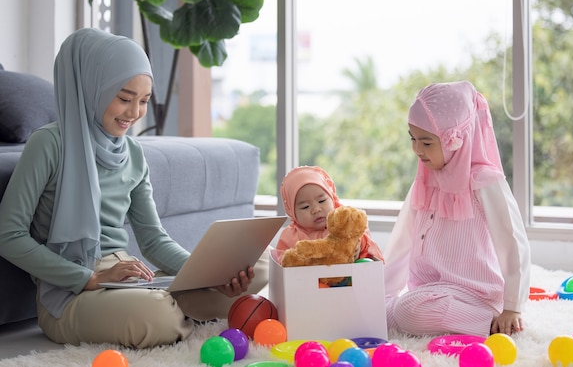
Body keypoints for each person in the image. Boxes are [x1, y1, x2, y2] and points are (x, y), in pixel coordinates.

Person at [0, 28, 267, 349]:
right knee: (158, 317)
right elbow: (8, 234)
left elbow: (153, 240)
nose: (135, 113)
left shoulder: (133, 153)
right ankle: (187, 309)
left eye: (143, 101)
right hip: (70, 294)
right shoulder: (49, 143)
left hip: (129, 280)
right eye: (125, 98)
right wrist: (89, 278)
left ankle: (191, 301)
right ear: (91, 87)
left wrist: (208, 276)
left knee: (261, 265)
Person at [384, 80, 531, 337]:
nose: (417, 150)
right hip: (430, 291)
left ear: (456, 140)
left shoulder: (484, 180)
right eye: (413, 139)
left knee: (408, 311)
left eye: (427, 142)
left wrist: (513, 306)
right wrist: (382, 293)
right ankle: (408, 311)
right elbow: (402, 241)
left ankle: (491, 324)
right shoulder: (424, 181)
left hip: (475, 294)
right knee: (387, 311)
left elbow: (513, 242)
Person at [275, 165, 384, 264]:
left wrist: (359, 246)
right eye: (305, 207)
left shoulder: (344, 221)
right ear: (292, 213)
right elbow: (282, 262)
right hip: (309, 282)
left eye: (322, 201)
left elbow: (366, 241)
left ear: (332, 198)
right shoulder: (290, 236)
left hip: (349, 280)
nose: (316, 210)